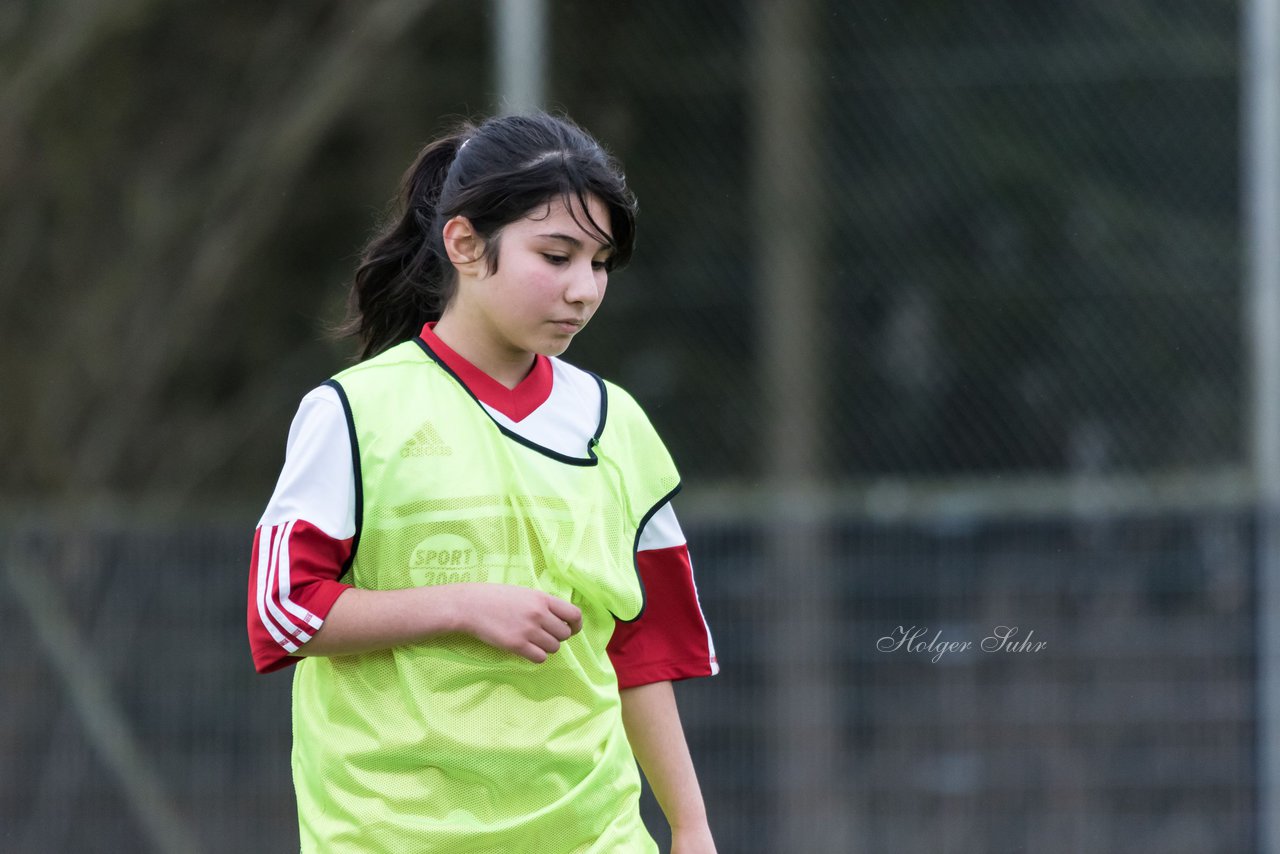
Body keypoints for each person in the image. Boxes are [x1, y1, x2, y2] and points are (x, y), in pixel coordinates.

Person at [247, 112, 719, 853]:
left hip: (593, 836)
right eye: (557, 256)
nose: (583, 290)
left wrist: (690, 827)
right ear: (464, 243)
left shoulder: (616, 423)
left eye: (598, 264)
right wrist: (461, 606)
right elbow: (281, 613)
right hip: (390, 837)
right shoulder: (353, 412)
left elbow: (640, 649)